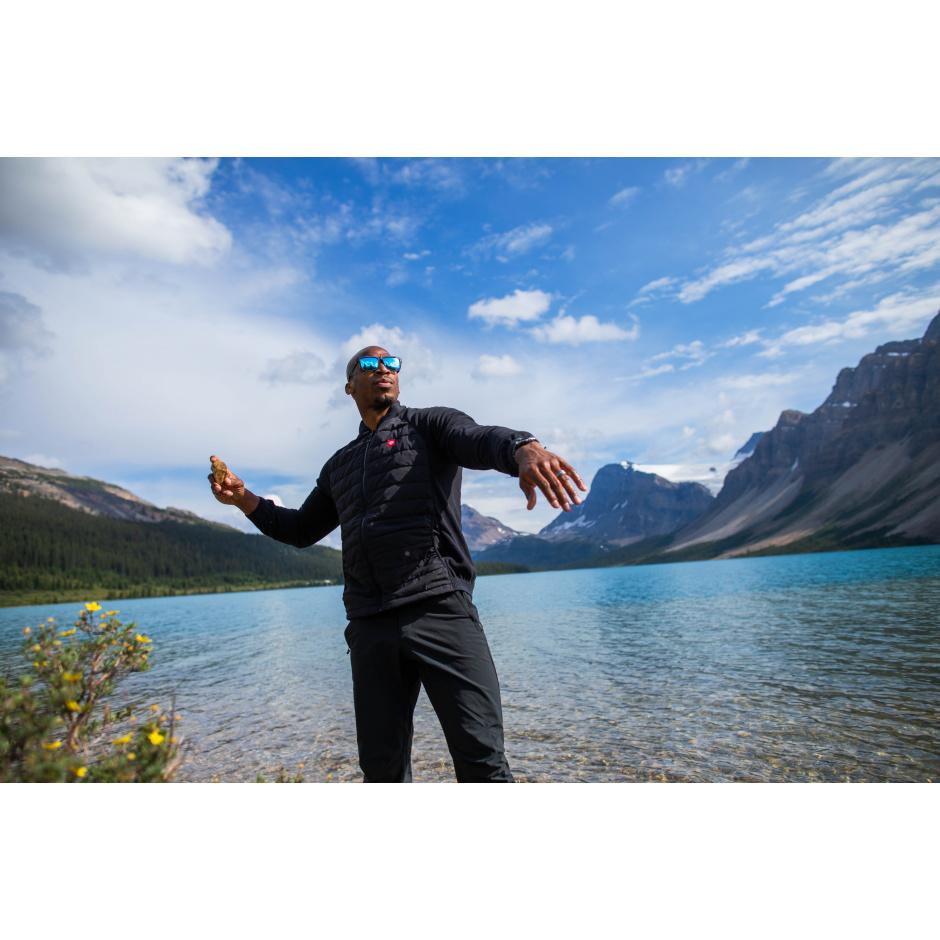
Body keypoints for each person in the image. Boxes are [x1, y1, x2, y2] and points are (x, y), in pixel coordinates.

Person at [208, 345, 586, 782]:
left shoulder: (431, 425)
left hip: (439, 609)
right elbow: (299, 529)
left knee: (481, 760)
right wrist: (244, 500)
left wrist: (523, 447)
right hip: (370, 626)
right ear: (350, 386)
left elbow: (480, 438)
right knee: (381, 771)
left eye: (391, 363)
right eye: (369, 364)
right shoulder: (339, 465)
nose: (383, 369)